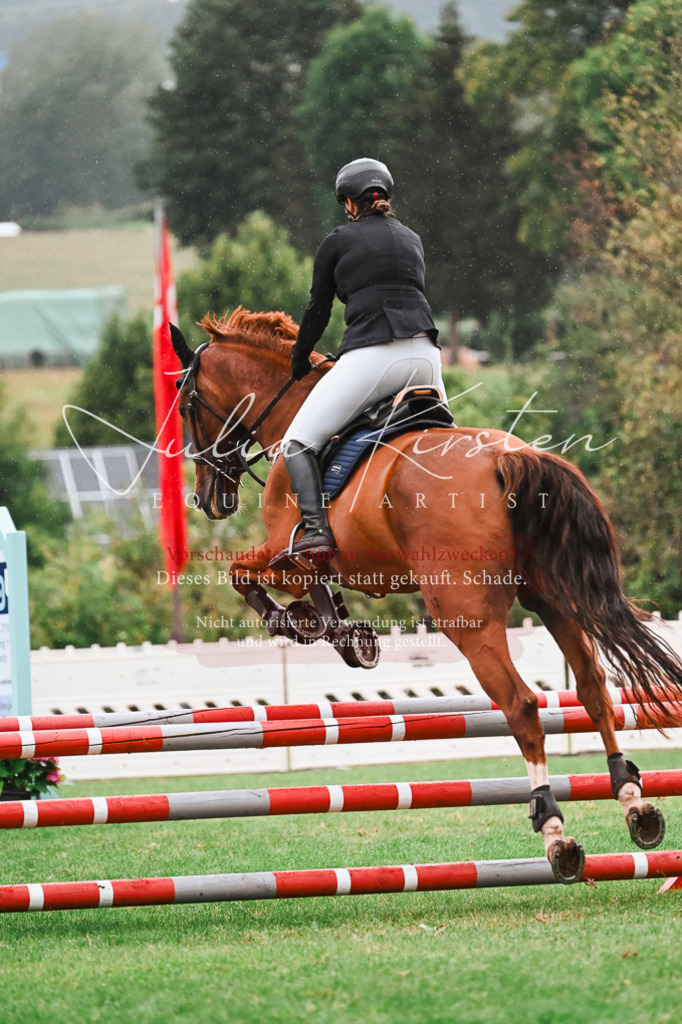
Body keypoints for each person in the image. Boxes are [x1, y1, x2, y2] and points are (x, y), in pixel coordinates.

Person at [279, 157, 445, 562]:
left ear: (350, 203)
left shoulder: (338, 240)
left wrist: (300, 358)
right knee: (452, 444)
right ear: (384, 197)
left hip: (375, 357)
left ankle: (316, 532)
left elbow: (318, 309)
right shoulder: (411, 238)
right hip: (427, 355)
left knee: (297, 443)